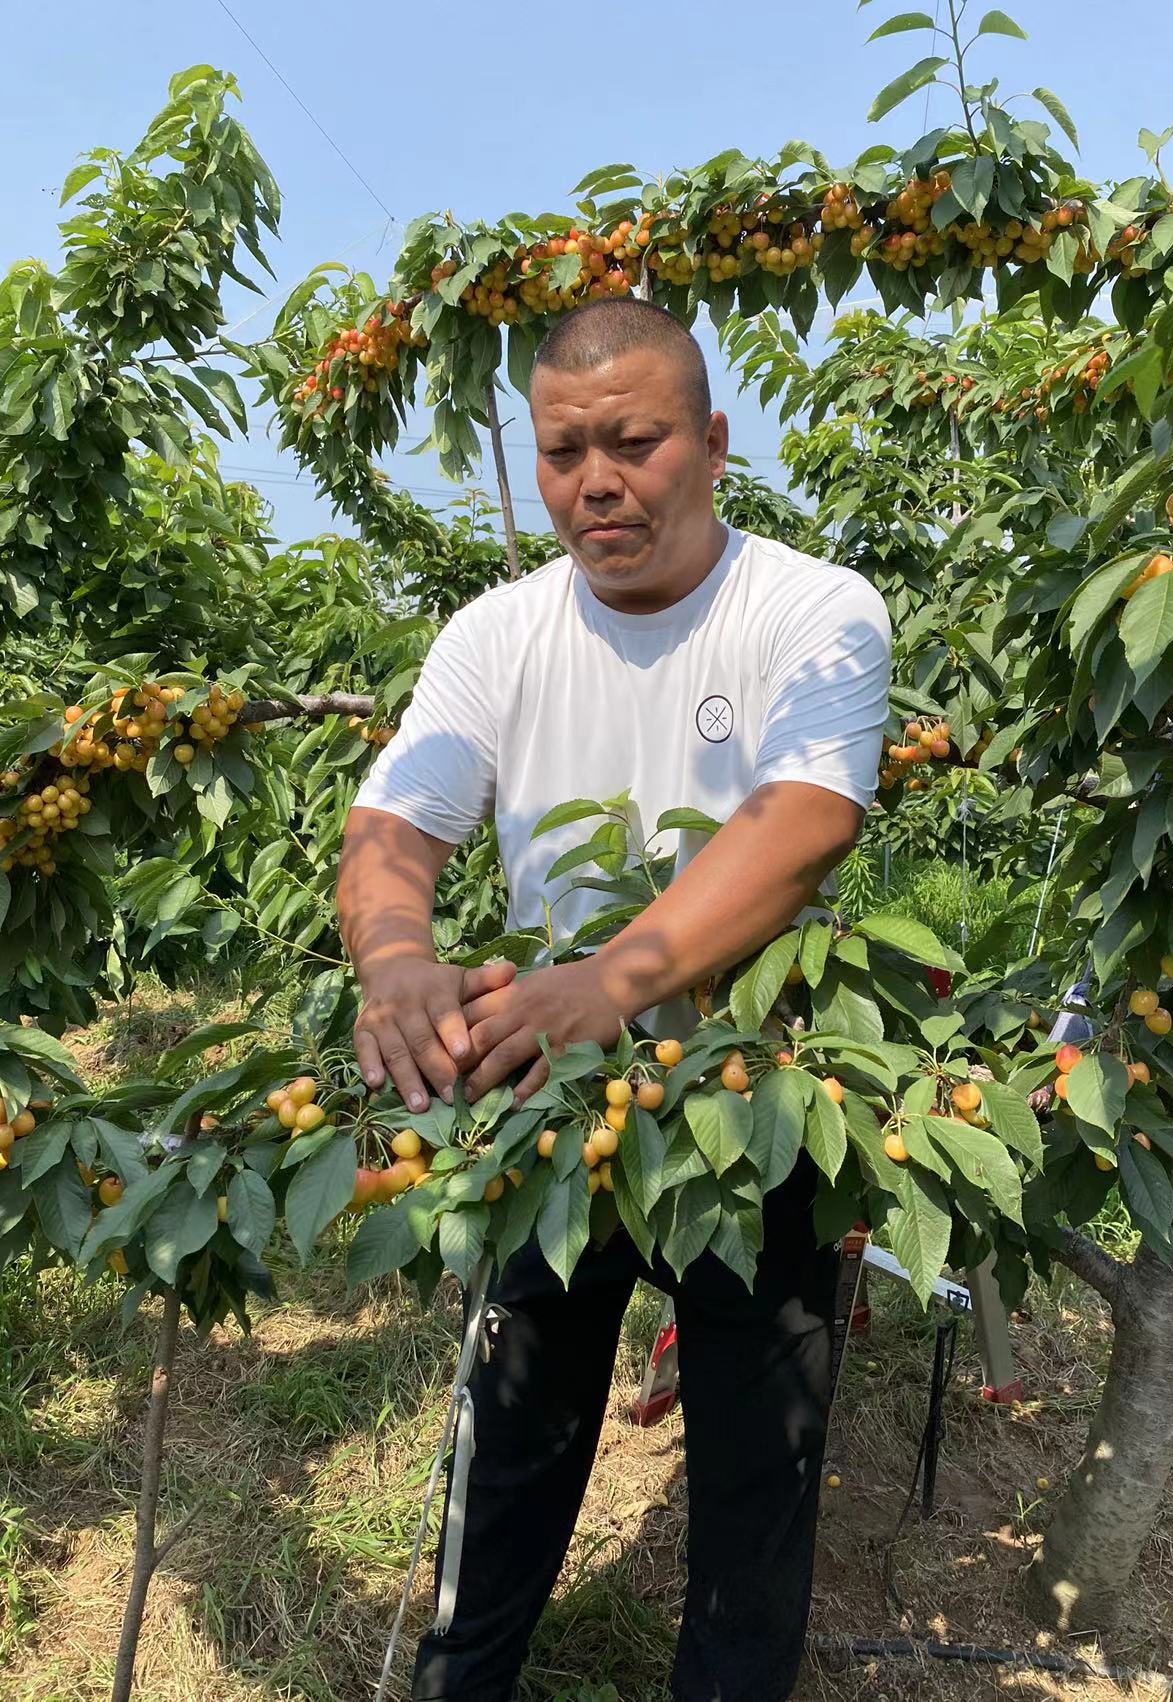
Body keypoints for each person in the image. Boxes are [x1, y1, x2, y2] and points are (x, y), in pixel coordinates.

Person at [336, 297, 891, 1702]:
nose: (597, 481)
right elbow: (397, 825)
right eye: (563, 449)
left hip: (756, 1106)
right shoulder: (497, 632)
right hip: (557, 1105)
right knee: (511, 1433)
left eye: (634, 443)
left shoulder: (814, 608)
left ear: (711, 441)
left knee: (756, 1478)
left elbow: (805, 818)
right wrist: (395, 952)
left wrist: (615, 978)